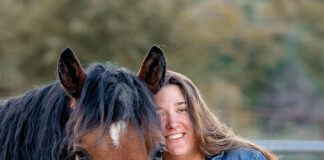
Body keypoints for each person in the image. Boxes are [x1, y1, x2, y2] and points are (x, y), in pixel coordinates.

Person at [153, 70, 278, 160]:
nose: (173, 124)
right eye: (159, 114)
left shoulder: (244, 158)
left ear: (198, 113)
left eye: (182, 110)